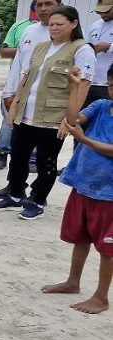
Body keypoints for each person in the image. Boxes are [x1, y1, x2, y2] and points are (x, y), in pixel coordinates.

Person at [0, 6, 94, 220]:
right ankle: (16, 194)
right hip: (26, 113)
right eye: (52, 24)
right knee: (18, 156)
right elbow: (26, 78)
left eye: (60, 24)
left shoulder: (81, 49)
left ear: (74, 23)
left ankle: (37, 200)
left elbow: (83, 85)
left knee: (46, 161)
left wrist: (70, 119)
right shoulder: (41, 47)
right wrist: (14, 105)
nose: (54, 28)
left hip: (53, 116)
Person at [41, 66, 113, 314]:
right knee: (80, 237)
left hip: (109, 194)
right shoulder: (102, 105)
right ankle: (73, 281)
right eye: (112, 85)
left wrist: (85, 141)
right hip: (84, 184)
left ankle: (102, 296)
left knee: (108, 248)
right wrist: (75, 88)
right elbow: (73, 120)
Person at [0, 0, 59, 198]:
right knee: (19, 149)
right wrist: (9, 94)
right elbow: (18, 65)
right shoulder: (28, 32)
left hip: (48, 104)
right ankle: (15, 188)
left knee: (45, 155)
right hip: (21, 99)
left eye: (50, 3)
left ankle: (37, 198)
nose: (44, 9)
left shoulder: (68, 37)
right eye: (40, 4)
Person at [0, 0, 40, 170]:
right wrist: (23, 49)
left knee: (35, 122)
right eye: (37, 10)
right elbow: (4, 51)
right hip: (17, 80)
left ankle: (33, 158)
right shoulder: (21, 27)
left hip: (41, 87)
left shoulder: (59, 29)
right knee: (8, 120)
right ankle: (2, 153)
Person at [86, 0, 113, 106]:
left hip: (108, 85)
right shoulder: (95, 25)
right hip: (90, 82)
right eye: (99, 12)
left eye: (106, 11)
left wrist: (108, 46)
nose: (102, 15)